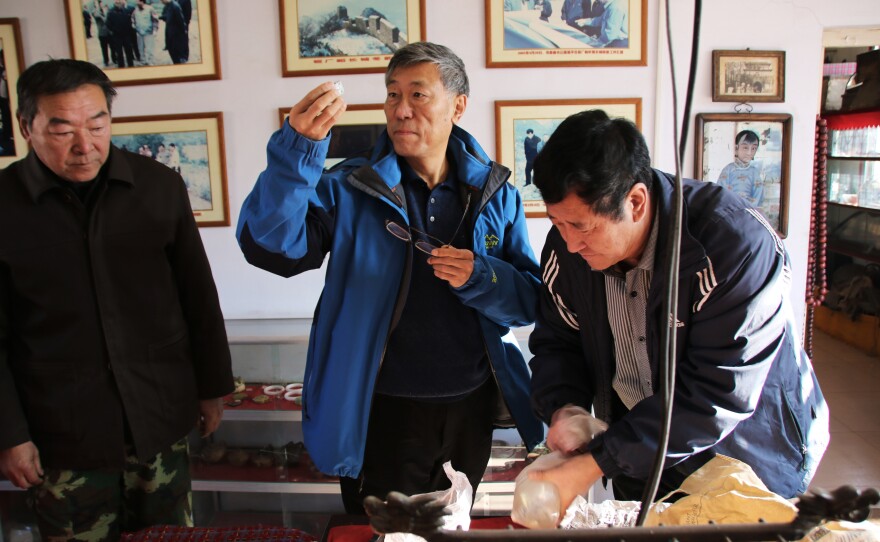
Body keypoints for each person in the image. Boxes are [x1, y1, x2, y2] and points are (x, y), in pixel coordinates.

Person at [237, 42, 543, 514]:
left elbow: (526, 303)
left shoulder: (495, 191)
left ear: (458, 105)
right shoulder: (349, 186)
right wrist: (294, 154)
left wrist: (484, 276)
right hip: (377, 410)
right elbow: (273, 247)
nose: (400, 110)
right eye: (391, 95)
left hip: (470, 410)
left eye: (418, 96)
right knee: (380, 531)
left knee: (452, 525)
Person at [526, 110, 829, 512]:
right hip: (640, 443)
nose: (569, 243)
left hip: (744, 449)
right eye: (556, 223)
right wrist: (566, 407)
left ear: (635, 202)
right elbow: (558, 340)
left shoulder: (734, 247)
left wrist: (596, 463)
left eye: (581, 226)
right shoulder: (565, 251)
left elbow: (717, 392)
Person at [0, 58, 234, 541]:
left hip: (160, 418)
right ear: (27, 126)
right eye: (62, 129)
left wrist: (213, 386)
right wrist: (9, 435)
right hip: (61, 434)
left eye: (97, 124)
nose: (85, 146)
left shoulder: (157, 187)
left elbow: (198, 295)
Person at [717, 129, 765, 208]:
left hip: (749, 210)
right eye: (745, 148)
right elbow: (721, 192)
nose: (749, 152)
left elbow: (758, 193)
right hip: (730, 209)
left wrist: (748, 208)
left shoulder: (754, 172)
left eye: (753, 148)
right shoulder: (728, 169)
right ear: (736, 148)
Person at [106, 0, 136, 67]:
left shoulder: (126, 11)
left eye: (119, 2)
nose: (118, 4)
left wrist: (129, 31)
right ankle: (121, 66)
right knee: (119, 53)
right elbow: (108, 24)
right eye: (117, 2)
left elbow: (129, 22)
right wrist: (113, 31)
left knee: (129, 51)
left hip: (126, 35)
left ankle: (131, 65)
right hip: (117, 36)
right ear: (114, 3)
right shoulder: (110, 12)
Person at [160, 0, 189, 64]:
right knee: (171, 51)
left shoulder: (175, 6)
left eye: (161, 0)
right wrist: (160, 17)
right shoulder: (167, 6)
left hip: (176, 35)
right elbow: (166, 16)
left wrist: (184, 32)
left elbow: (181, 21)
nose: (161, 2)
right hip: (170, 34)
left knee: (176, 54)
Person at [132, 0, 159, 65]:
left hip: (148, 32)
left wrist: (155, 30)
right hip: (139, 33)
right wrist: (134, 26)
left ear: (142, 1)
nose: (137, 3)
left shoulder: (150, 9)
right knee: (140, 48)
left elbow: (155, 20)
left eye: (138, 1)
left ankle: (150, 61)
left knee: (149, 48)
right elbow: (133, 19)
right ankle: (143, 61)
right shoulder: (135, 10)